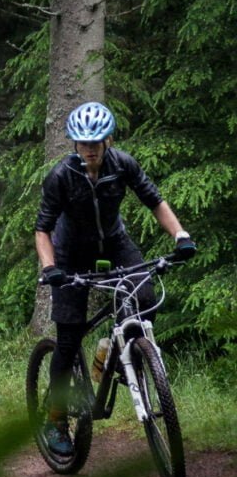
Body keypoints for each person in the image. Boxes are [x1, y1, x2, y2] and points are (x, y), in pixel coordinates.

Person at [34, 102, 197, 455]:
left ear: (108, 140)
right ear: (74, 143)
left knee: (146, 297)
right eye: (82, 142)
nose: (90, 148)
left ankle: (125, 354)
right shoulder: (61, 176)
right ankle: (56, 418)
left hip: (114, 241)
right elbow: (42, 229)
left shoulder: (123, 164)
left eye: (96, 141)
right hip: (70, 252)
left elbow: (154, 201)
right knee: (68, 337)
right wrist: (50, 269)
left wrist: (180, 236)